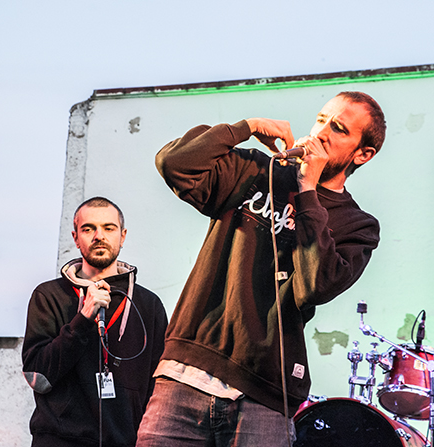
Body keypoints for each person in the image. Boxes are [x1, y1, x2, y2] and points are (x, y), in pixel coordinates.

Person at [135, 91, 385, 447]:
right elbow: (174, 162)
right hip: (185, 375)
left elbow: (315, 285)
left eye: (338, 128)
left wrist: (307, 190)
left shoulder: (357, 225)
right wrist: (247, 127)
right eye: (321, 119)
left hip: (264, 393)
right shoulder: (256, 171)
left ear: (363, 154)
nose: (321, 132)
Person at [22, 196, 168, 447]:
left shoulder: (149, 304)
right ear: (75, 238)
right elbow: (39, 377)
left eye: (108, 228)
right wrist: (82, 320)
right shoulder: (49, 296)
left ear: (122, 236)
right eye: (88, 229)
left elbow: (162, 389)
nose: (99, 236)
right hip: (60, 441)